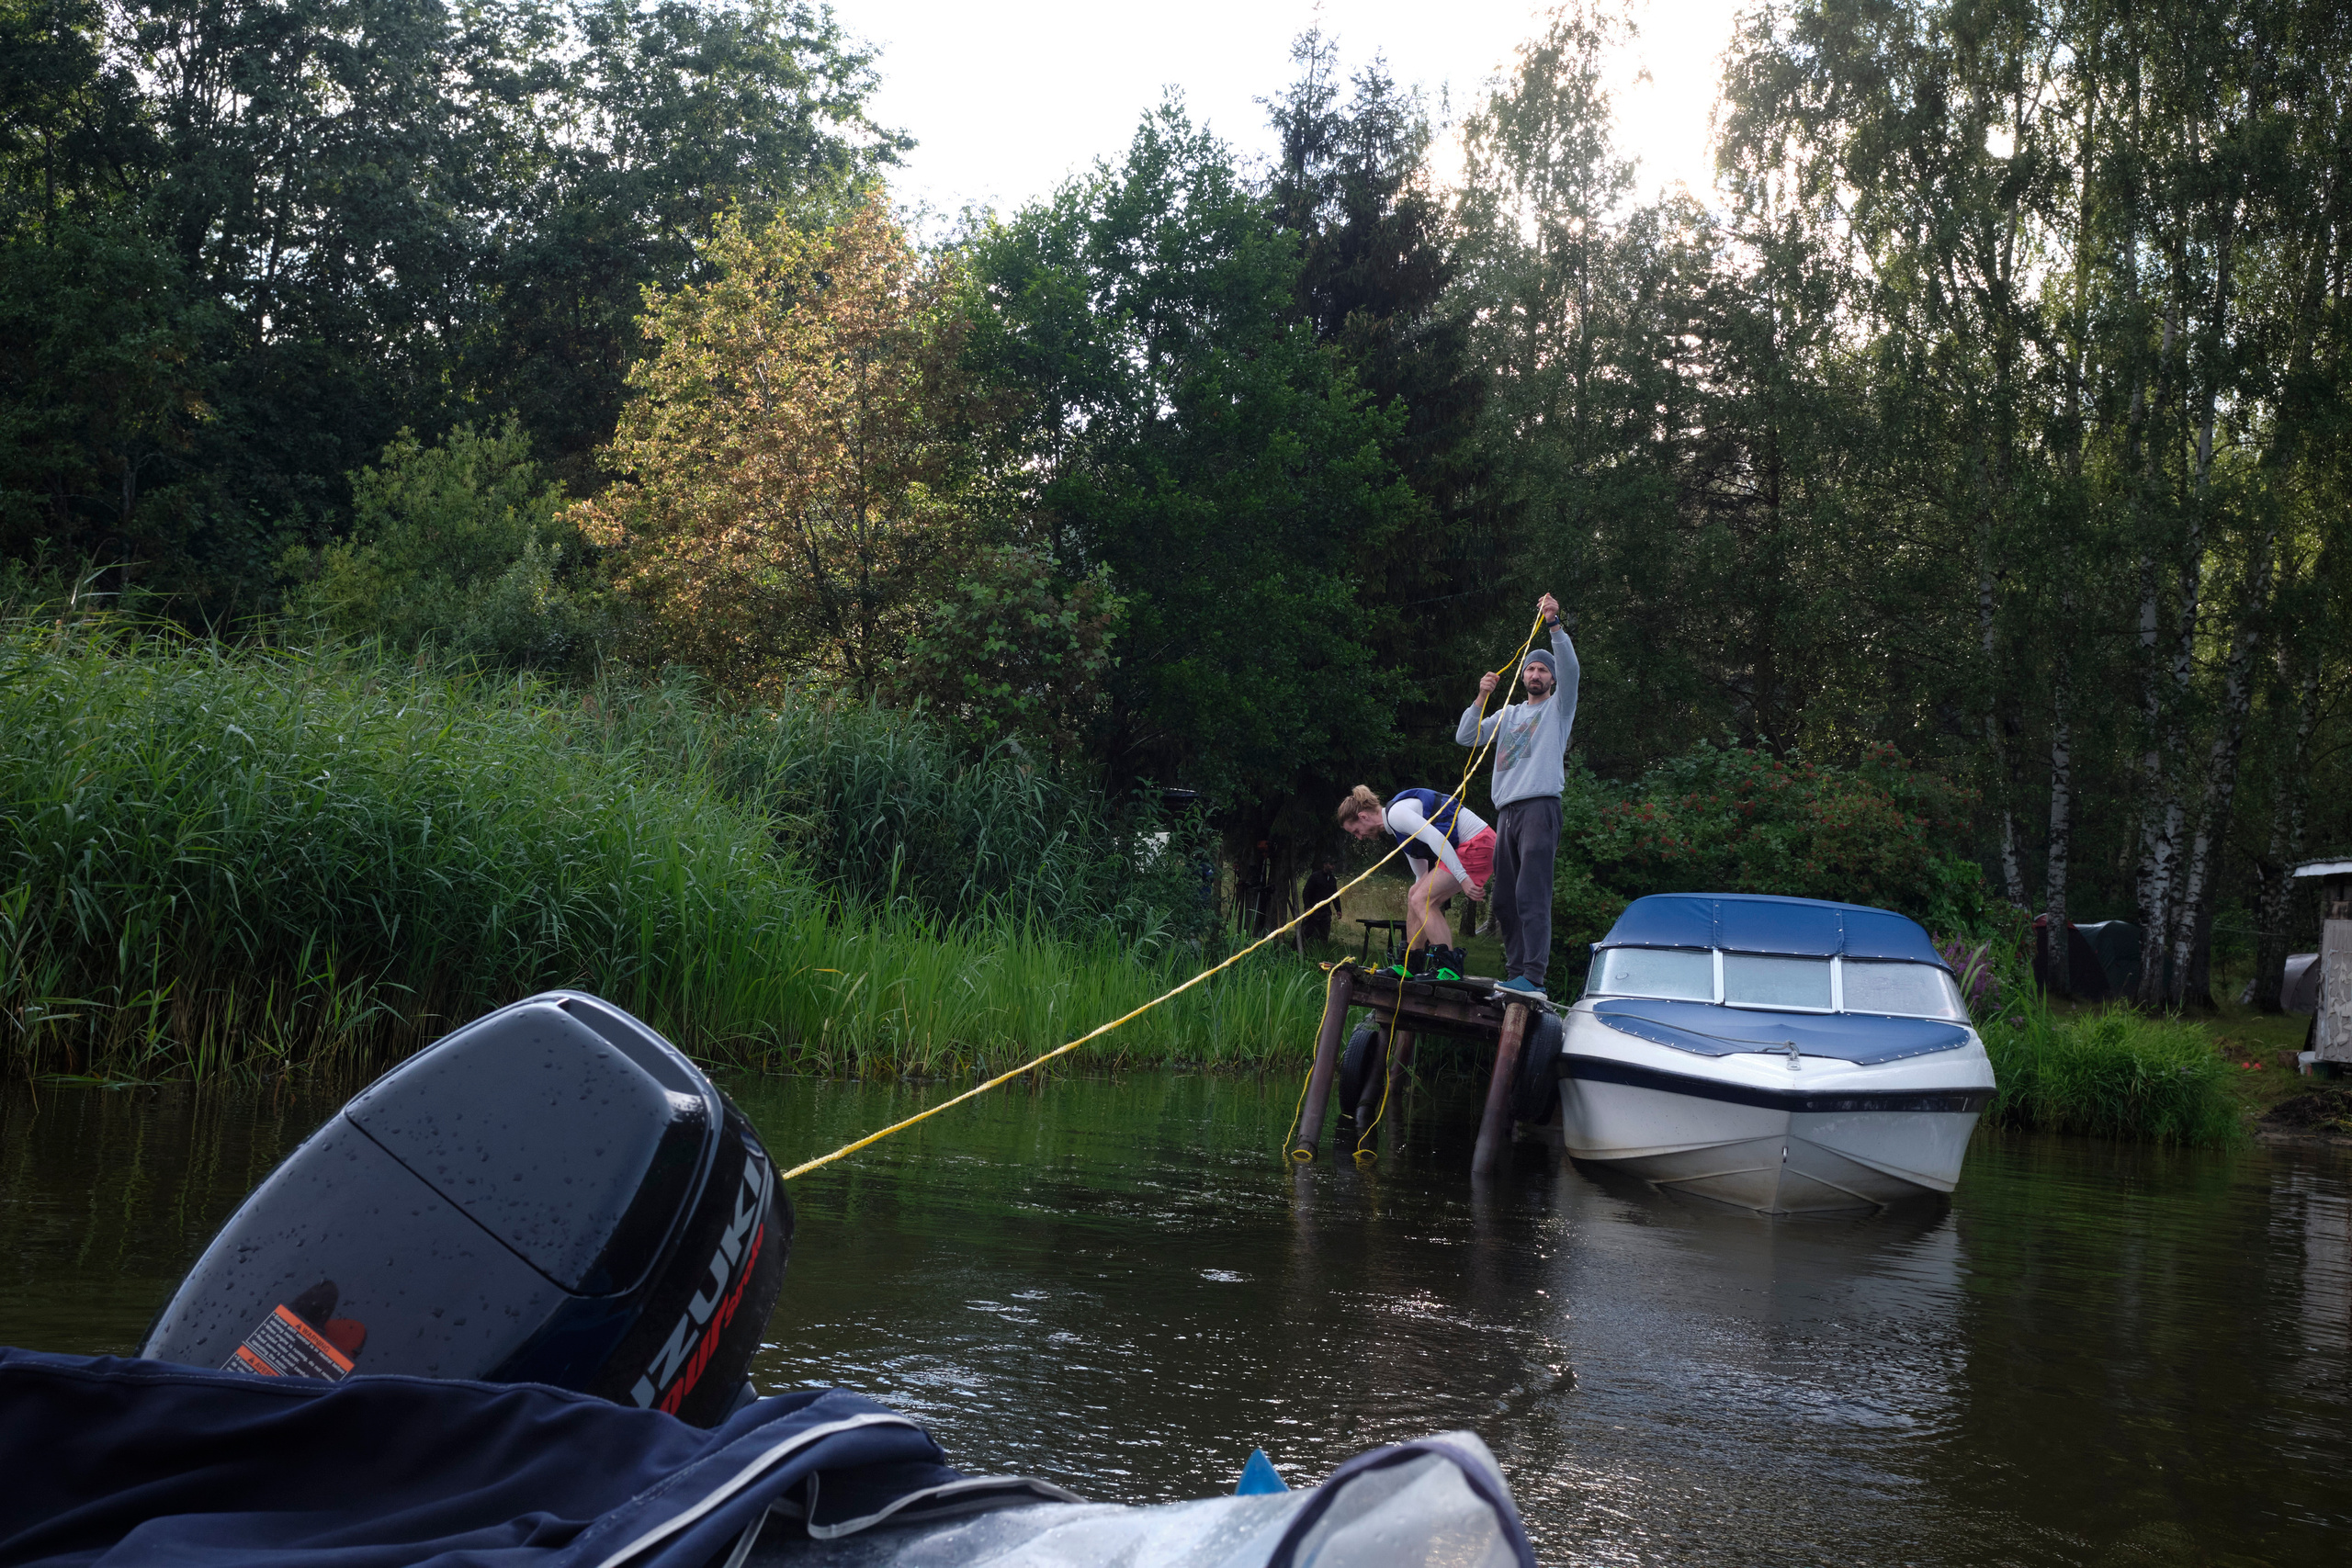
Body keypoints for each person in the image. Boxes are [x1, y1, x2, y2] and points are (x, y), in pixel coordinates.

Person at [1457, 592, 1579, 998]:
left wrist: (1554, 623)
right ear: (1523, 677)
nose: (1536, 673)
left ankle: (1535, 977)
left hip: (1540, 808)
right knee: (1504, 900)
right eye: (1531, 668)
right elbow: (1465, 737)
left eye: (1543, 669)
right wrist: (1482, 695)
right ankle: (1515, 975)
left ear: (1551, 680)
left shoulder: (1559, 708)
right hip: (1506, 813)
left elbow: (1572, 668)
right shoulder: (1507, 714)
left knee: (1532, 893)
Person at [1335, 785, 1494, 979]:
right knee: (1415, 894)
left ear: (1363, 817)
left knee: (1422, 899)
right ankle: (1410, 964)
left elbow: (1436, 837)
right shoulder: (1397, 830)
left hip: (1478, 843)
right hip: (1469, 847)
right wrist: (1421, 894)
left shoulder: (1397, 815)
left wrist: (1463, 878)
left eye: (1356, 831)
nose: (1360, 837)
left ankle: (1450, 968)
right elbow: (1421, 875)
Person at [1300, 862, 1339, 943]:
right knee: (1305, 933)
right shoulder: (1315, 877)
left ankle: (1321, 953)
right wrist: (1307, 907)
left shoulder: (1332, 880)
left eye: (1333, 865)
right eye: (1331, 864)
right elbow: (1306, 892)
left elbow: (1335, 896)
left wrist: (1338, 909)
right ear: (1324, 864)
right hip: (1313, 910)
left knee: (1324, 936)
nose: (1333, 867)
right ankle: (1297, 950)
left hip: (1325, 912)